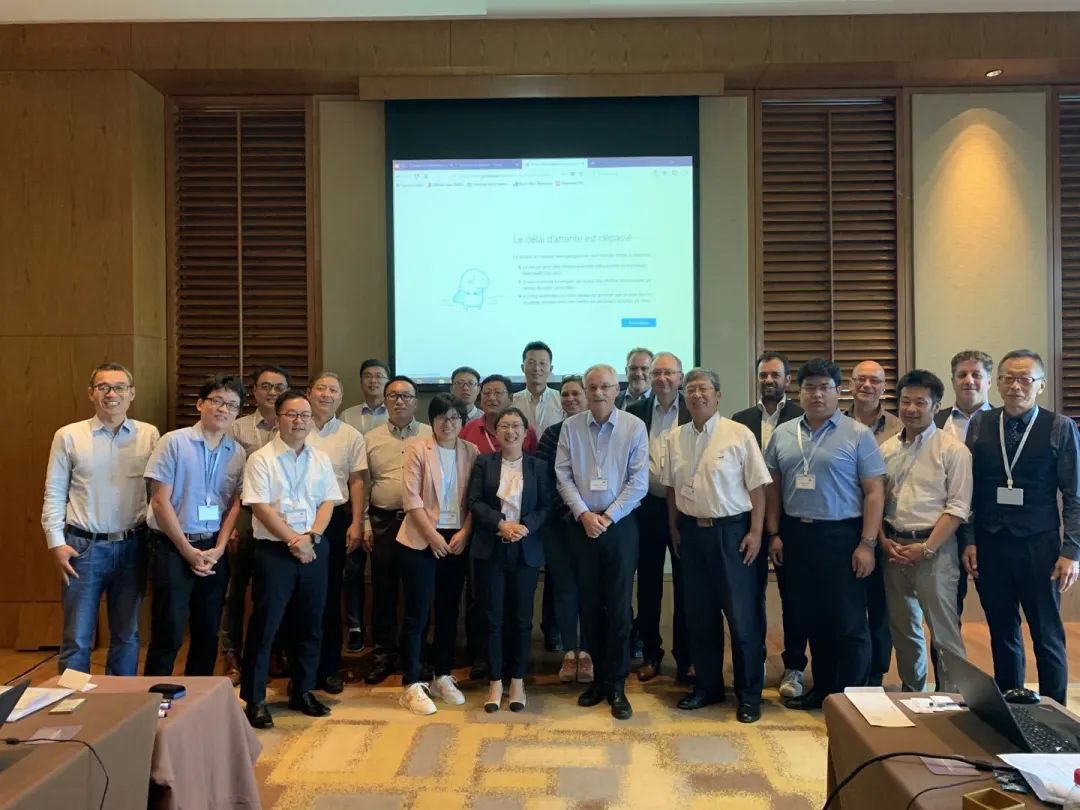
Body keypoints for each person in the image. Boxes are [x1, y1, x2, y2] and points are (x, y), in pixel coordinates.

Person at [765, 358, 886, 709]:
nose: (816, 395)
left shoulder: (858, 434)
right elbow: (772, 488)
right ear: (798, 392)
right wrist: (774, 533)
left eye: (824, 388)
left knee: (849, 621)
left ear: (838, 391)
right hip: (796, 535)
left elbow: (874, 493)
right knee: (813, 617)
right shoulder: (783, 434)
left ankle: (852, 698)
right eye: (809, 388)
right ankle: (824, 690)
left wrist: (867, 543)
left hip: (842, 535)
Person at [960, 349, 1080, 705]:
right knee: (1002, 629)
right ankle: (1011, 707)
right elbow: (968, 490)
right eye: (1008, 378)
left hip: (1039, 544)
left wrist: (1072, 551)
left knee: (1046, 632)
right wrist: (969, 540)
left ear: (1040, 385)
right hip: (990, 542)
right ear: (997, 384)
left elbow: (1074, 495)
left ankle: (1054, 711)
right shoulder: (980, 424)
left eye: (1025, 379)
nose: (1015, 386)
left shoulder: (1060, 426)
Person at [663, 368, 771, 722]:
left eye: (704, 389)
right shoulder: (675, 437)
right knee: (699, 616)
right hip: (692, 534)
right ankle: (708, 687)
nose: (697, 395)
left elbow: (758, 488)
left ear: (718, 395)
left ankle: (749, 695)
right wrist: (674, 529)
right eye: (690, 389)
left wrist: (756, 532)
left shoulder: (738, 434)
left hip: (733, 534)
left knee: (742, 618)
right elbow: (671, 489)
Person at [42, 363, 159, 675]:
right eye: (103, 387)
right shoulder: (68, 435)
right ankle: (73, 701)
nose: (111, 394)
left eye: (119, 387)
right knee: (77, 638)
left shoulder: (148, 435)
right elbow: (54, 492)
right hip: (82, 548)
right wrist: (56, 543)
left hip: (133, 546)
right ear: (91, 394)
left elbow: (159, 493)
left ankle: (120, 700)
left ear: (131, 393)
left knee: (127, 635)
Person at [240, 390, 342, 728]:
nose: (299, 421)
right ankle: (255, 698)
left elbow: (328, 502)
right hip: (274, 551)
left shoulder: (320, 458)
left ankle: (302, 690)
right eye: (292, 415)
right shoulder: (261, 459)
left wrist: (311, 537)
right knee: (266, 624)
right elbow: (260, 507)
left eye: (305, 415)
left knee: (312, 622)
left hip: (314, 547)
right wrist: (293, 540)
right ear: (278, 418)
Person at [555, 364, 648, 720]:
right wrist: (583, 514)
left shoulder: (633, 427)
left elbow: (639, 482)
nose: (597, 393)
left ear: (616, 389)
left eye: (605, 387)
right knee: (589, 605)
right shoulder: (571, 427)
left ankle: (617, 685)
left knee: (619, 608)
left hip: (619, 527)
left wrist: (607, 517)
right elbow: (562, 475)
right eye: (591, 387)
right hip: (583, 527)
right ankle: (598, 681)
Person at [144, 374, 246, 677]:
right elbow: (159, 501)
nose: (224, 409)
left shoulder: (237, 452)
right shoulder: (173, 442)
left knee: (208, 631)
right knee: (169, 632)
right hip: (172, 547)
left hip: (213, 548)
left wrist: (219, 548)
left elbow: (234, 504)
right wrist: (186, 549)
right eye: (217, 401)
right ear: (200, 404)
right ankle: (157, 700)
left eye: (232, 405)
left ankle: (197, 698)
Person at [879, 369, 971, 693]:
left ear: (936, 406)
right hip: (894, 549)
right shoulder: (887, 449)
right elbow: (876, 501)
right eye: (906, 401)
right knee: (903, 630)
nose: (911, 409)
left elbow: (958, 507)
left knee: (943, 633)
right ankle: (912, 692)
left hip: (935, 551)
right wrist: (883, 541)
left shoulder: (953, 450)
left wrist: (927, 548)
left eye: (920, 402)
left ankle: (953, 698)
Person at [731, 350, 806, 699]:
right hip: (746, 519)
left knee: (794, 596)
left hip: (789, 521)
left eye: (775, 375)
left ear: (787, 380)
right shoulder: (740, 420)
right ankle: (755, 658)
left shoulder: (802, 417)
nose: (769, 380)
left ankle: (794, 666)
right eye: (763, 375)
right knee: (750, 593)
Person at [397, 394, 477, 715]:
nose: (448, 423)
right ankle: (412, 682)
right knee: (417, 612)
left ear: (463, 422)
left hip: (456, 539)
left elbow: (475, 499)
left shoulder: (471, 451)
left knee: (448, 610)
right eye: (442, 417)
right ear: (431, 421)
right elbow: (411, 499)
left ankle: (442, 674)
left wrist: (465, 533)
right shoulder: (418, 449)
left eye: (455, 417)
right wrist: (432, 536)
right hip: (420, 538)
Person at [470, 407, 552, 712]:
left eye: (516, 425)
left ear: (526, 431)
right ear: (496, 431)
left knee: (521, 619)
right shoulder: (484, 462)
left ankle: (517, 679)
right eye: (504, 425)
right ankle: (495, 681)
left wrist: (525, 526)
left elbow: (546, 505)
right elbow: (474, 501)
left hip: (525, 548)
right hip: (491, 547)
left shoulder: (538, 466)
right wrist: (500, 524)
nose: (510, 431)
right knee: (492, 617)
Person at [928, 349, 993, 686]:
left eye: (976, 375)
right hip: (942, 532)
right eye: (962, 375)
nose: (969, 381)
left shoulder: (1003, 423)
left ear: (988, 381)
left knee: (999, 618)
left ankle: (1003, 689)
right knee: (943, 618)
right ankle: (947, 688)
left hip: (989, 533)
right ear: (952, 380)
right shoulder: (934, 421)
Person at [363, 375, 433, 684]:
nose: (400, 400)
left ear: (416, 402)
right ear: (385, 400)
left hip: (421, 523)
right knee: (384, 591)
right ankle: (384, 655)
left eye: (406, 396)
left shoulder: (431, 435)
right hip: (384, 522)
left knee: (420, 592)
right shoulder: (370, 438)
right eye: (393, 395)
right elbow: (363, 484)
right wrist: (364, 522)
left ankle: (416, 656)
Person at [626, 351, 691, 682]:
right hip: (647, 508)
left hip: (687, 508)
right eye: (657, 373)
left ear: (680, 377)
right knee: (649, 585)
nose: (662, 379)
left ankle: (686, 658)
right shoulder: (635, 411)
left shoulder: (694, 408)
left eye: (669, 373)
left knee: (687, 585)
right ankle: (651, 653)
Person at [222, 365, 289, 683]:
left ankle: (273, 651)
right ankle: (231, 655)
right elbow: (226, 479)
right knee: (235, 589)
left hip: (283, 519)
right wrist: (230, 523)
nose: (272, 392)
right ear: (254, 391)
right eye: (266, 386)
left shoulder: (295, 424)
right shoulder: (237, 428)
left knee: (273, 590)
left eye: (279, 387)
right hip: (246, 514)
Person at [305, 373, 368, 694]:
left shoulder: (349, 435)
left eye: (333, 390)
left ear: (341, 398)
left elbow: (357, 481)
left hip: (334, 522)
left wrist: (356, 522)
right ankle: (301, 667)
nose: (326, 394)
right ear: (309, 393)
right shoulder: (294, 427)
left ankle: (328, 667)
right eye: (321, 388)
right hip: (297, 520)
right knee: (298, 594)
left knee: (329, 594)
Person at [846, 359, 900, 686]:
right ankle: (849, 671)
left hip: (884, 530)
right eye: (861, 379)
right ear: (850, 385)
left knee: (880, 605)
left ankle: (876, 673)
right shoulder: (836, 423)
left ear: (883, 387)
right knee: (847, 604)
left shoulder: (899, 427)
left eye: (875, 381)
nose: (867, 385)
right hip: (845, 524)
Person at [537, 375, 594, 684]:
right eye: (566, 394)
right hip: (560, 526)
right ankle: (570, 652)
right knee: (565, 588)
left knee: (591, 587)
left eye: (576, 393)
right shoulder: (552, 434)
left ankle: (588, 653)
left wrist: (589, 514)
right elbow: (544, 480)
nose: (571, 399)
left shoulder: (598, 431)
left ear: (587, 396)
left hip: (593, 524)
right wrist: (572, 511)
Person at [340, 359, 391, 651]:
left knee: (384, 572)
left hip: (383, 505)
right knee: (352, 569)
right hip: (352, 500)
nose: (373, 381)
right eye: (368, 376)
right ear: (361, 381)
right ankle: (355, 625)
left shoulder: (397, 413)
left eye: (379, 376)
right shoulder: (347, 415)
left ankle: (385, 632)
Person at [462, 374, 539, 454]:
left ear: (510, 398)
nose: (491, 398)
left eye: (498, 392)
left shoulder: (525, 430)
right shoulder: (468, 429)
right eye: (487, 393)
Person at [512, 340, 564, 435]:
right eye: (531, 363)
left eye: (542, 363)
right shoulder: (512, 402)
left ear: (551, 369)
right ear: (522, 368)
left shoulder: (561, 400)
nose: (536, 368)